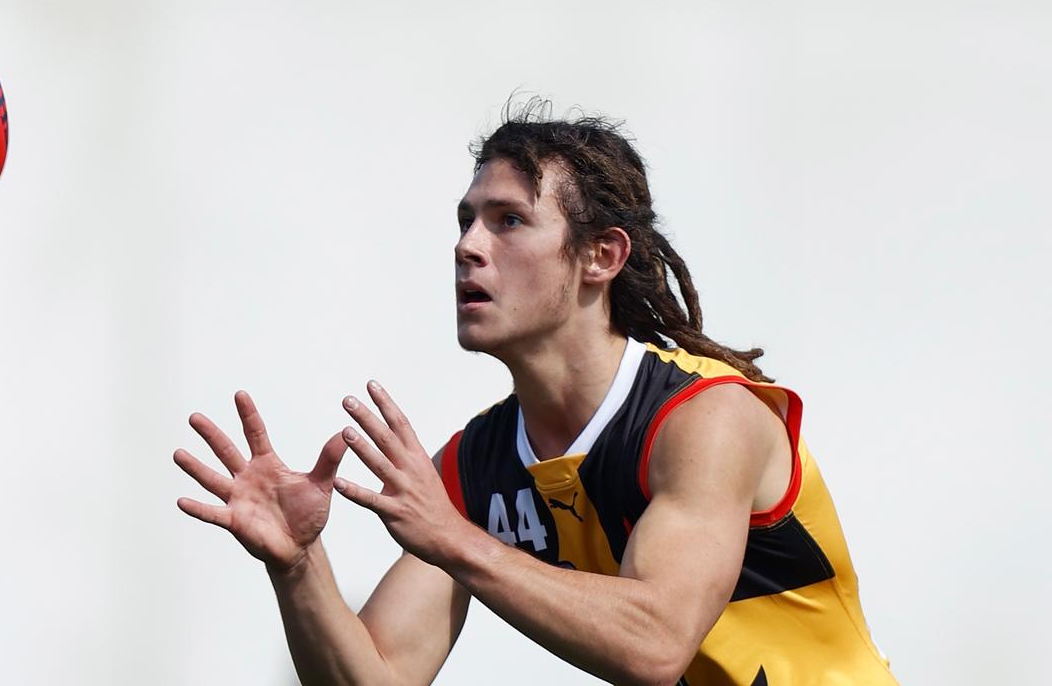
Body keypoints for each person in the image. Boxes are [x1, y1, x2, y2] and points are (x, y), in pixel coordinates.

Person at [173, 104, 897, 685]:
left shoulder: (706, 419)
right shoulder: (478, 465)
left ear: (601, 256)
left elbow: (655, 644)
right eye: (467, 219)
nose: (468, 246)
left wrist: (457, 541)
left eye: (509, 220)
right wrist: (299, 570)